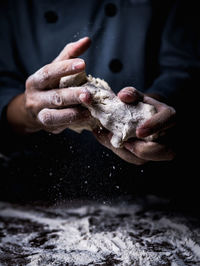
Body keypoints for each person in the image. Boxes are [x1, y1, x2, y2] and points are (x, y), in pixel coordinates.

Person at [0, 0, 199, 204]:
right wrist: (27, 110)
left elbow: (186, 67)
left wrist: (159, 108)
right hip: (34, 193)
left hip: (158, 192)